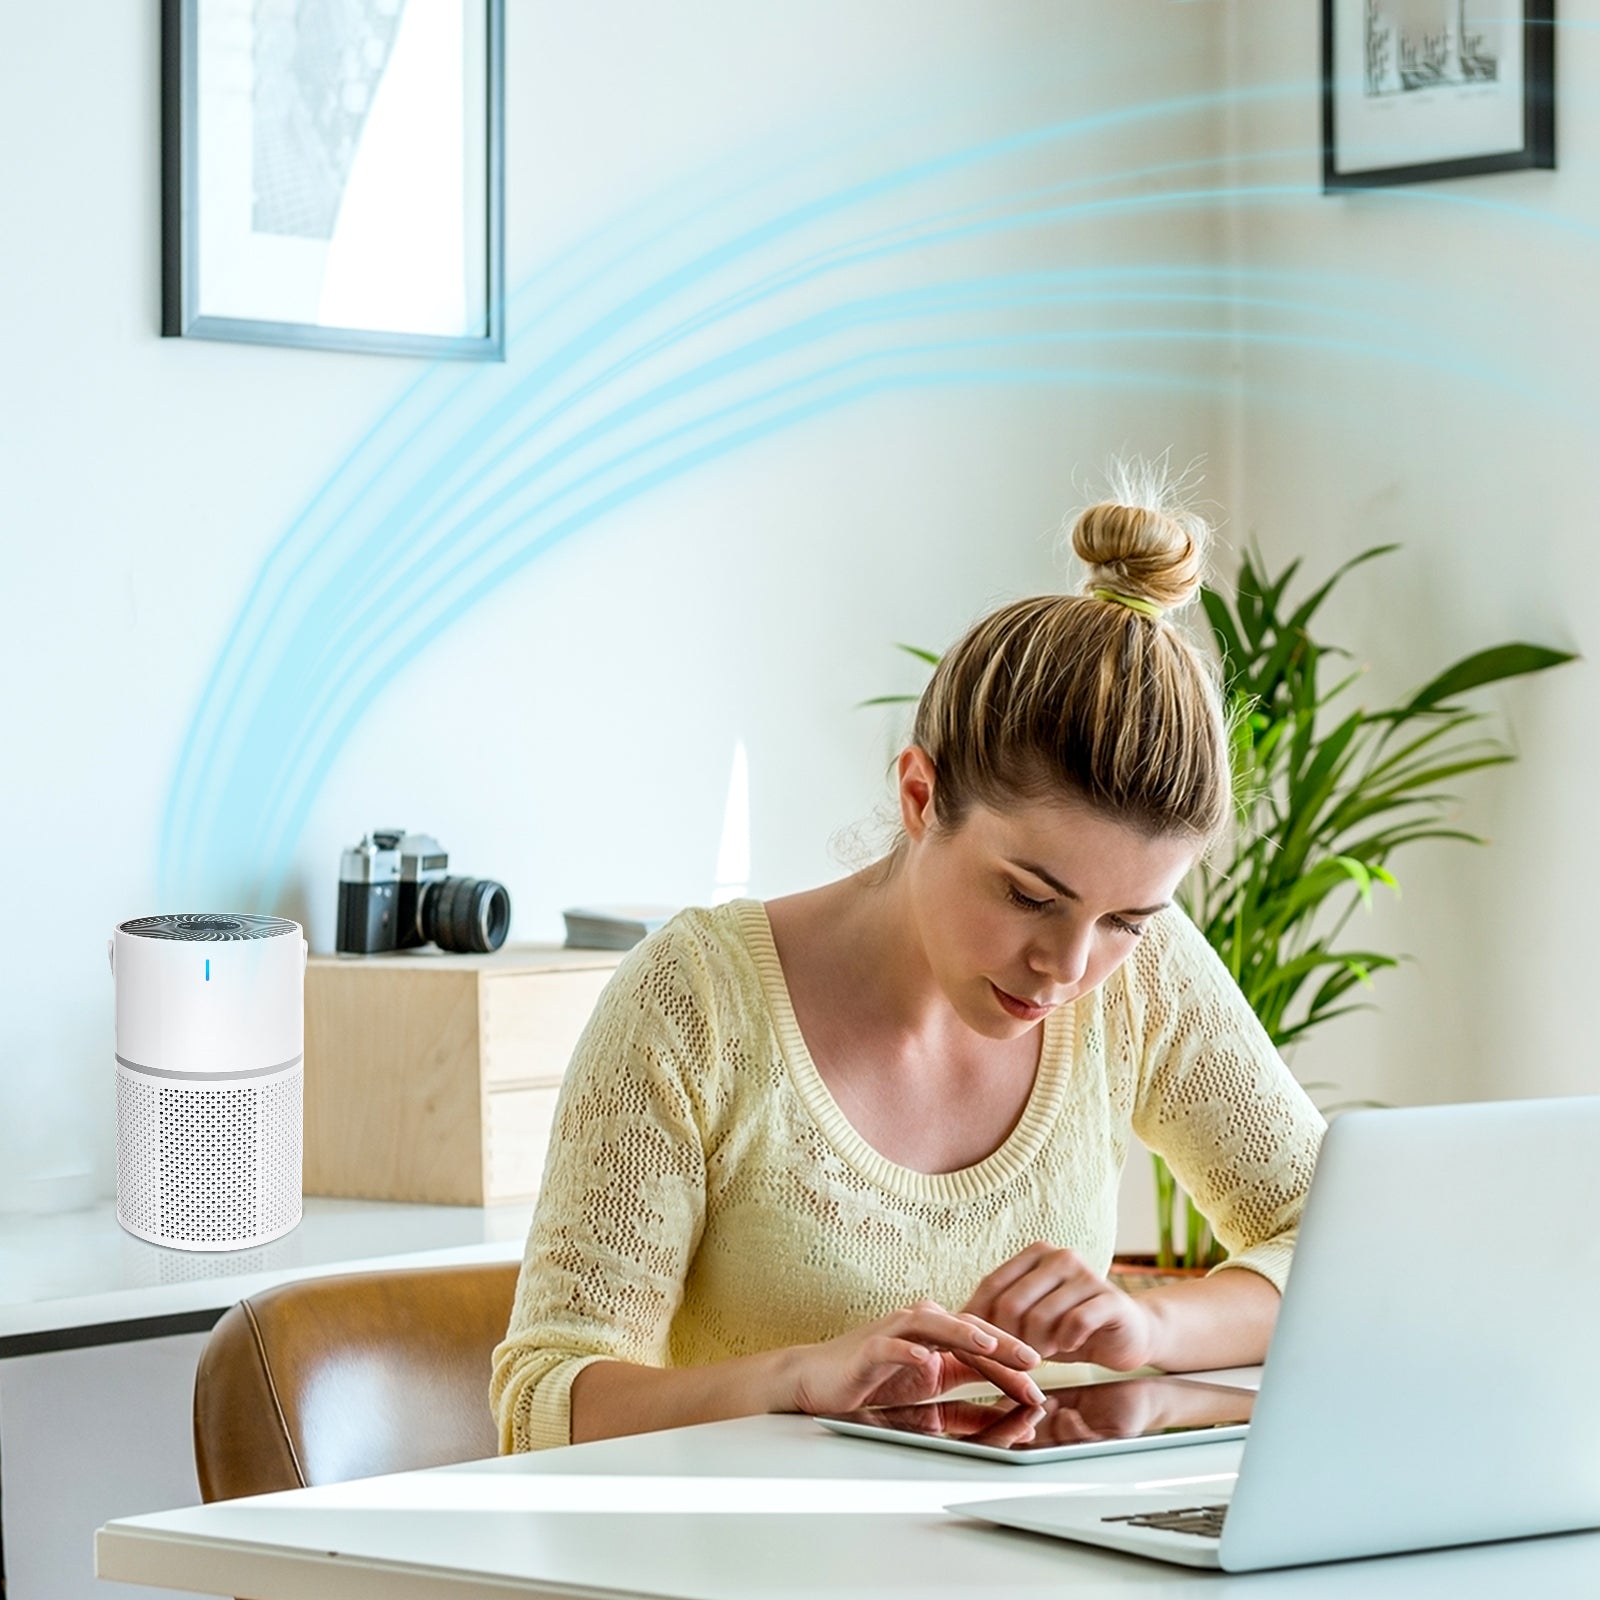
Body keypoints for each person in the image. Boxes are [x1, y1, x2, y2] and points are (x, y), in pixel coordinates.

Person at [491, 472, 1325, 1454]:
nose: (1065, 963)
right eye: (1027, 894)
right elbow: (543, 1400)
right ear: (921, 795)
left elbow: (1337, 1247)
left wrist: (1150, 1327)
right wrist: (795, 1378)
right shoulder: (696, 1003)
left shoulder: (1144, 977)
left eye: (1127, 919)